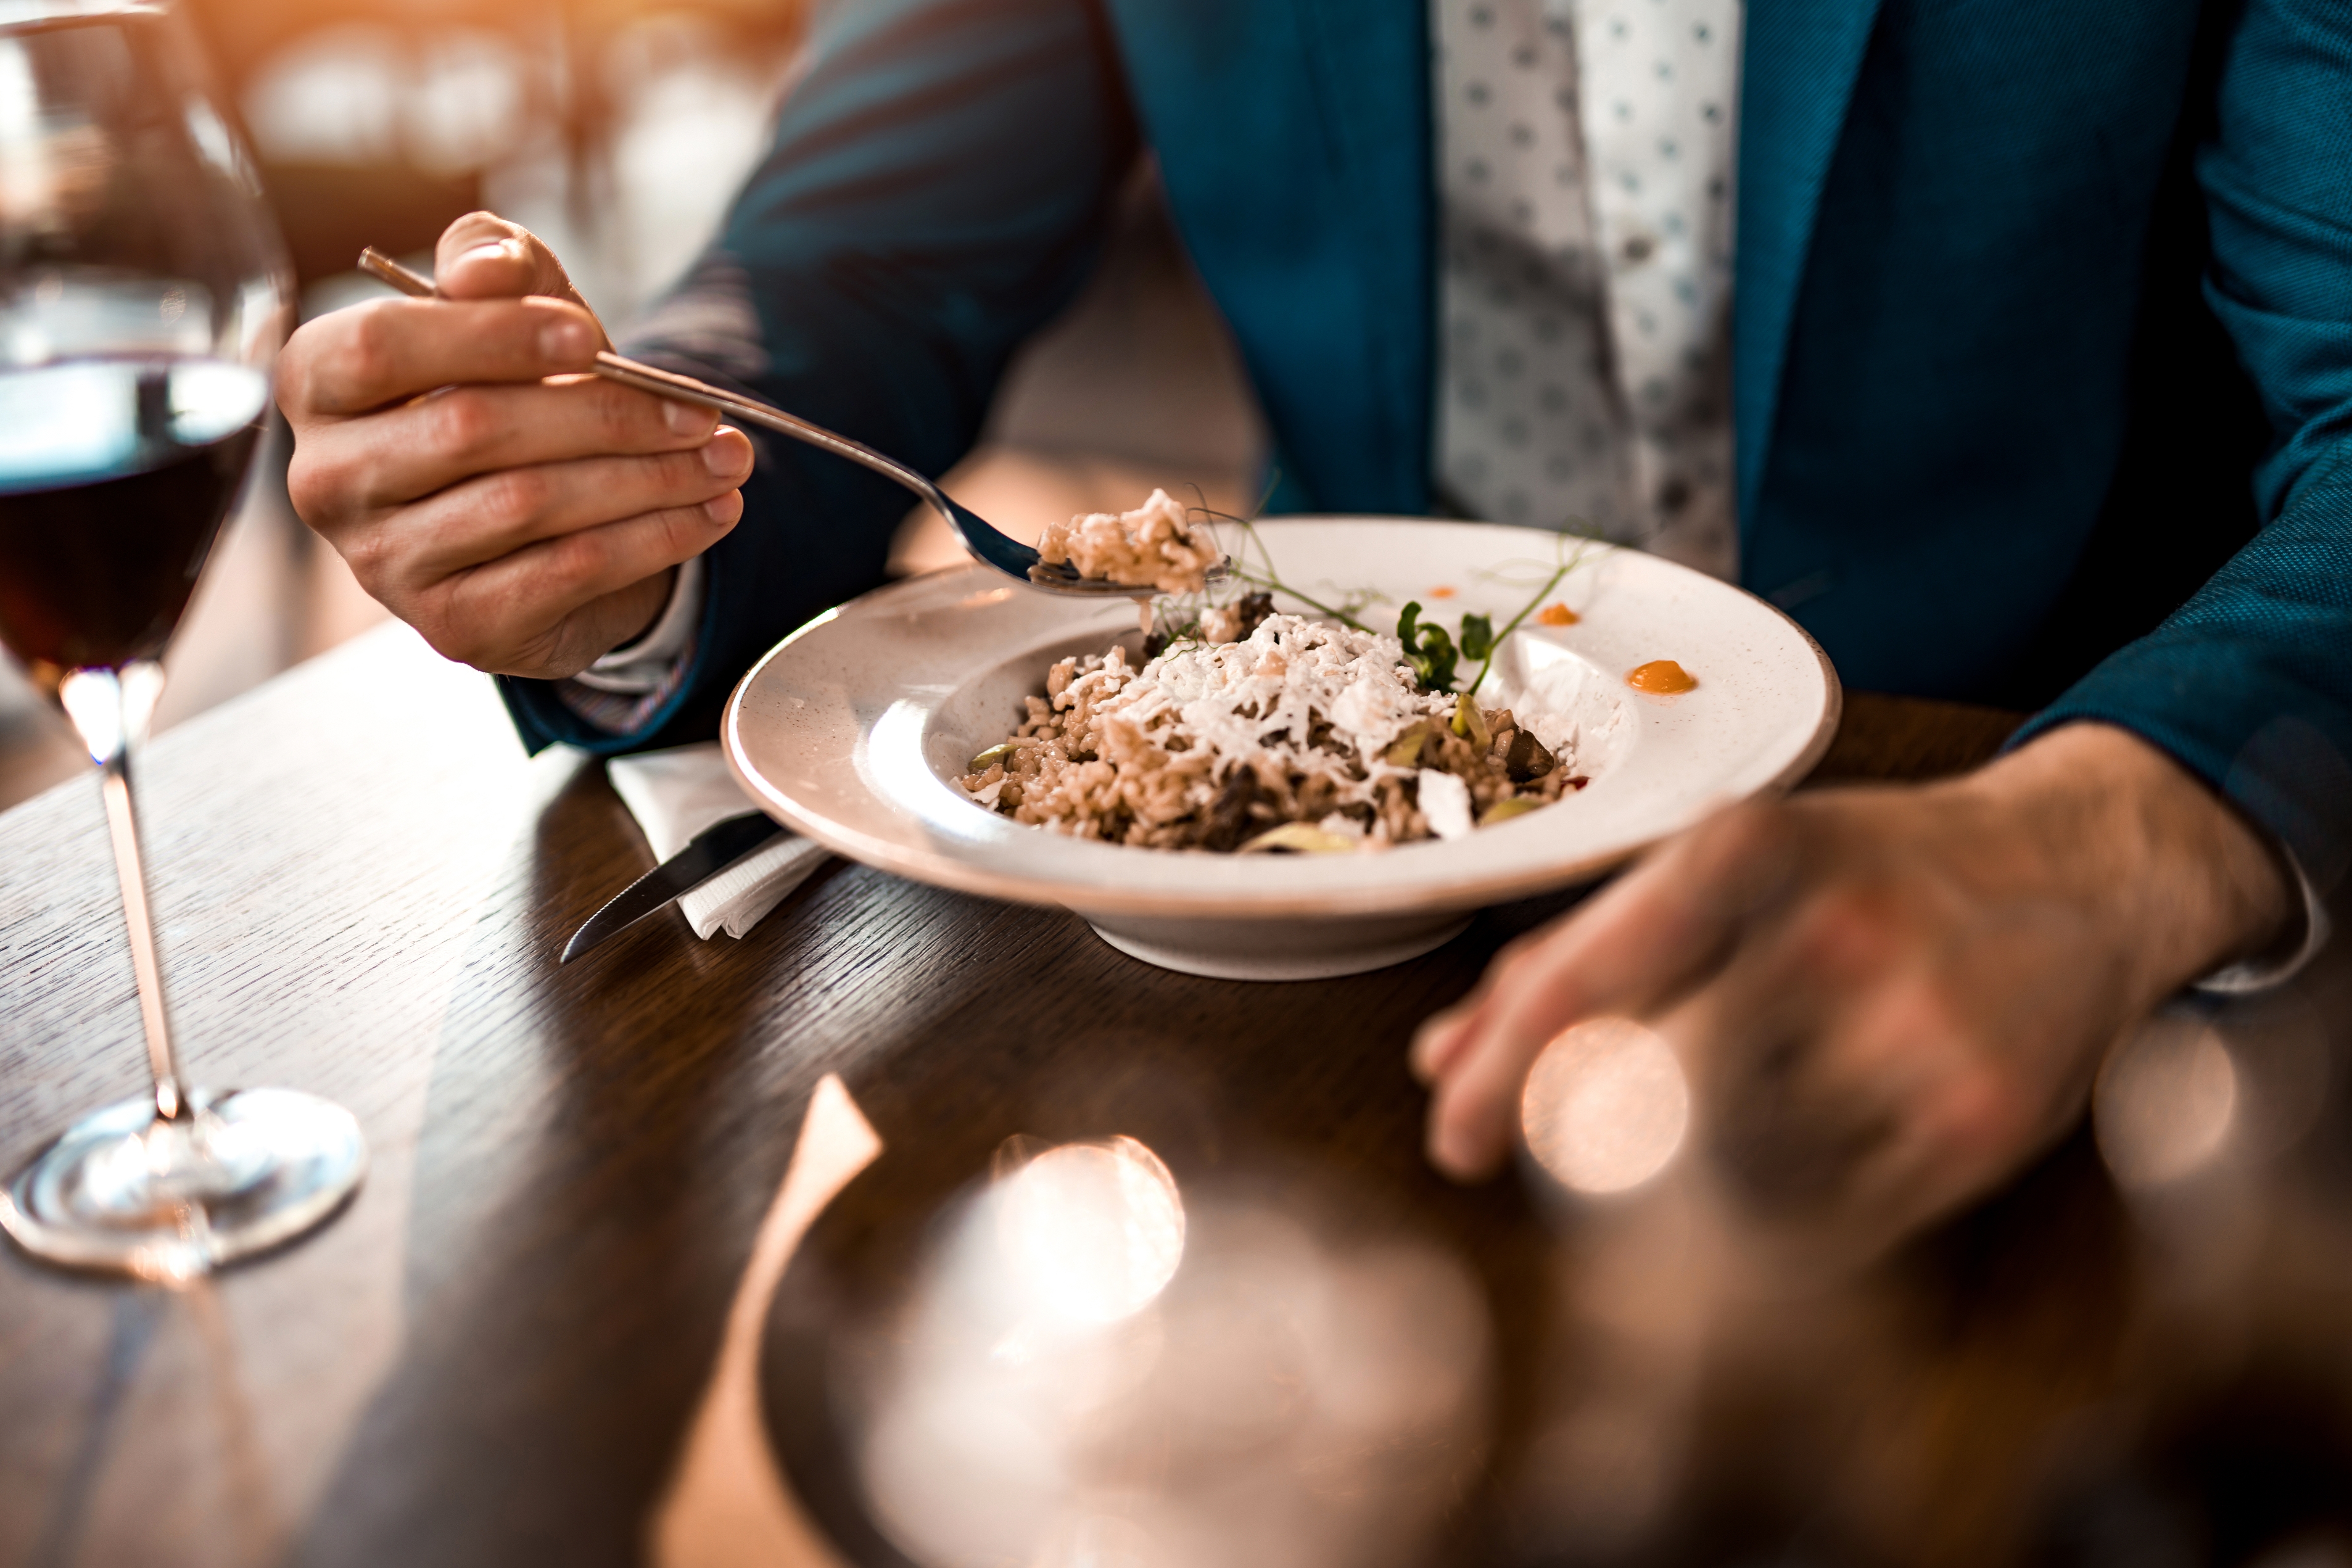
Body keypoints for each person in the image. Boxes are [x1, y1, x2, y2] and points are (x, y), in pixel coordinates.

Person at [279, 0, 2348, 1247]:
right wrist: (613, 500)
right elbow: (861, 261)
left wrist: (2119, 831)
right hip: (1275, 1035)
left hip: (2046, 958)